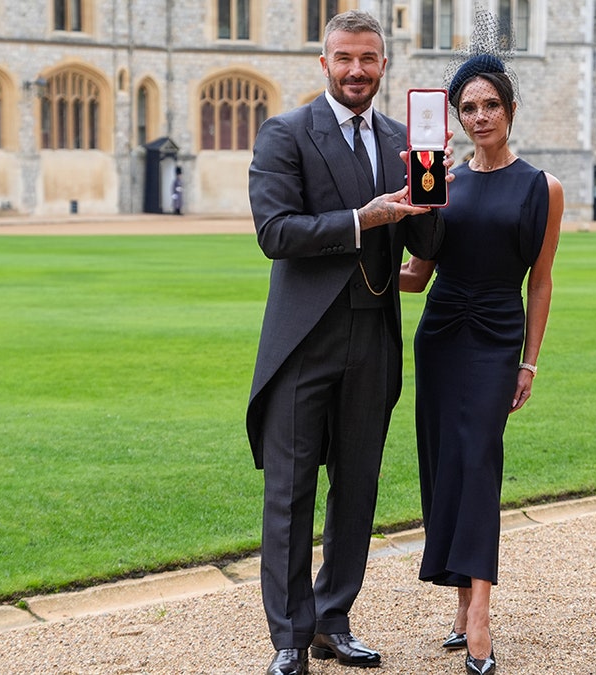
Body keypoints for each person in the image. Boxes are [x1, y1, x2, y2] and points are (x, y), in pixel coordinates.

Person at [246, 10, 449, 675]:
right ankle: (288, 636)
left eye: (369, 59)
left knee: (357, 487)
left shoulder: (401, 137)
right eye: (345, 58)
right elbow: (276, 232)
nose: (357, 70)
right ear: (324, 63)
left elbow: (426, 245)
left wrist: (436, 184)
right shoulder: (285, 133)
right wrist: (365, 218)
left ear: (384, 65)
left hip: (374, 336)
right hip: (304, 339)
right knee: (291, 491)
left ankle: (332, 621)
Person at [400, 52, 563, 675]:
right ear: (456, 117)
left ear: (512, 110)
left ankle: (482, 614)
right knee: (446, 464)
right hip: (440, 332)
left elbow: (541, 282)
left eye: (490, 104)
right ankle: (464, 603)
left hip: (497, 335)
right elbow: (417, 276)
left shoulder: (542, 187)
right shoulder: (441, 181)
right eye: (467, 107)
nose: (479, 116)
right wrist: (368, 238)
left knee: (479, 460)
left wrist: (530, 363)